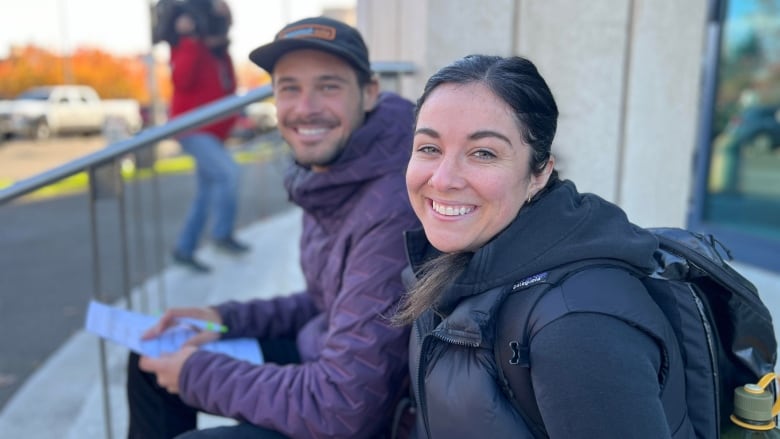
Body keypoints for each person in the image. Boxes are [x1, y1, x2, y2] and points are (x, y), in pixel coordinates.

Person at [126, 16, 419, 439]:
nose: (305, 107)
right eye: (289, 88)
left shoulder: (393, 203)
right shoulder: (332, 171)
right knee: (152, 358)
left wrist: (195, 373)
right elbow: (328, 302)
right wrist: (221, 319)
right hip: (325, 359)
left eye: (329, 86)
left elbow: (342, 407)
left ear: (369, 92)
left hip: (363, 412)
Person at [394, 54, 694, 438]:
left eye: (483, 153)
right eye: (429, 148)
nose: (443, 178)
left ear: (539, 173)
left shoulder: (579, 324)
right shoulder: (452, 261)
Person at [162, 0, 249, 273]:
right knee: (229, 173)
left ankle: (184, 249)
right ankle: (222, 235)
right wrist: (190, 37)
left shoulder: (218, 55)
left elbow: (230, 89)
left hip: (214, 134)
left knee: (205, 194)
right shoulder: (188, 48)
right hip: (193, 130)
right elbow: (182, 81)